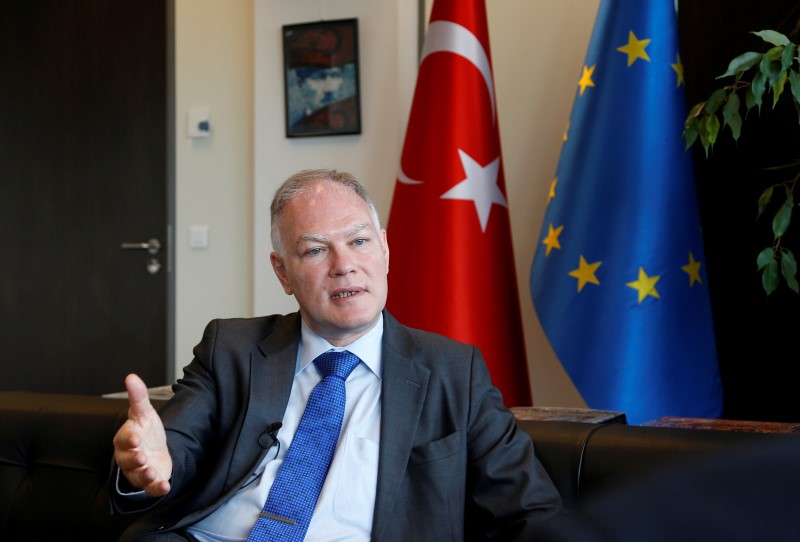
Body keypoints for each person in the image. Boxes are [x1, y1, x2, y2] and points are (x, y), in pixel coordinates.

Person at [110, 168, 562, 541]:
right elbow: (172, 450)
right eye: (315, 250)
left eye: (359, 241)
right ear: (282, 272)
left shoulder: (453, 372)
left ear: (384, 250)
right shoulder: (231, 348)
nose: (343, 264)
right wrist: (149, 462)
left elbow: (529, 510)